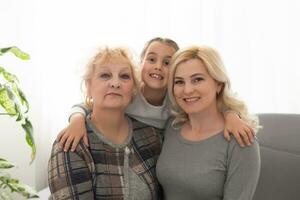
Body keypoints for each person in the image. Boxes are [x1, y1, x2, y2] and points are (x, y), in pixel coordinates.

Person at [57, 37, 255, 152]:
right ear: (140, 63)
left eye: (167, 62)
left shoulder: (178, 99)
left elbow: (212, 103)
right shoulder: (128, 94)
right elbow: (86, 103)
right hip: (128, 147)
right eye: (151, 59)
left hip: (160, 154)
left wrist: (232, 116)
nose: (158, 67)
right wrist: (76, 120)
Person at [48, 47, 163, 199]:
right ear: (88, 87)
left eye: (124, 76)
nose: (115, 83)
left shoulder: (151, 136)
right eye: (105, 75)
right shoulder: (71, 145)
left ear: (133, 89)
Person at [156, 45, 261, 200]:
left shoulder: (240, 140)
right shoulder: (172, 126)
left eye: (197, 79)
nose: (187, 90)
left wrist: (230, 113)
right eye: (179, 82)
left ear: (218, 84)